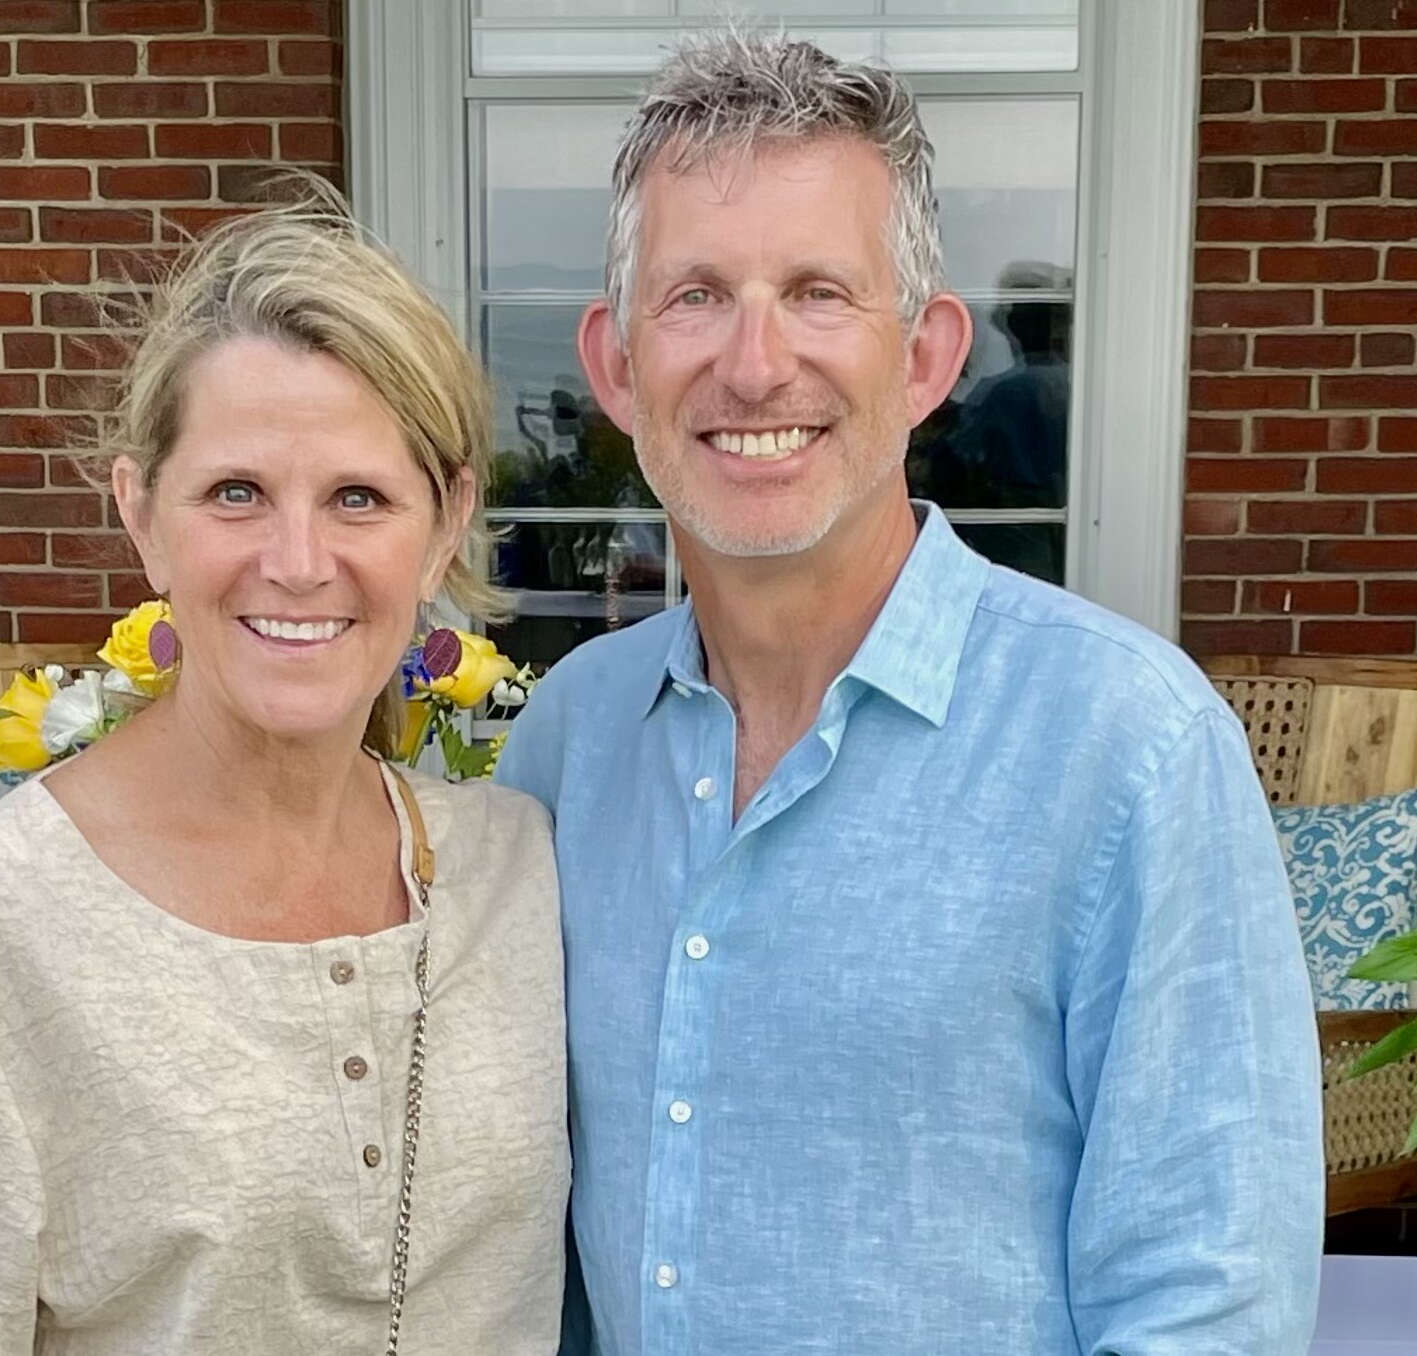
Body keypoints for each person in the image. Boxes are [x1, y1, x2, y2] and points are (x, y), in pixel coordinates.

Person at [494, 31, 1322, 1355]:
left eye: (817, 292)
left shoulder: (1126, 746)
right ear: (612, 366)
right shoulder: (565, 743)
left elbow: (1204, 1300)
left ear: (926, 356)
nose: (754, 365)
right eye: (694, 295)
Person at [0, 193, 569, 1355]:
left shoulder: (518, 870)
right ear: (143, 516)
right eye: (235, 493)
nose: (298, 564)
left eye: (359, 497)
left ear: (444, 525)